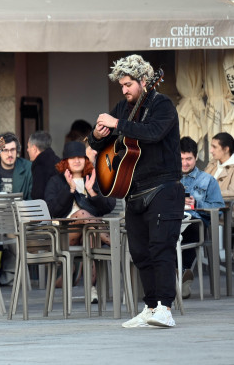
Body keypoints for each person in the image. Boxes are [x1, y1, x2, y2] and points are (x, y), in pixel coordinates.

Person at [89, 54, 183, 328]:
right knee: (140, 252)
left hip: (164, 187)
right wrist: (97, 134)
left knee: (161, 249)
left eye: (128, 84)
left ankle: (165, 308)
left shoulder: (162, 104)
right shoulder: (123, 107)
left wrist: (118, 124)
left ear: (144, 81)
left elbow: (153, 132)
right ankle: (150, 306)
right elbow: (99, 146)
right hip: (134, 191)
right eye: (121, 85)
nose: (124, 90)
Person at [44, 141, 115, 304]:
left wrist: (91, 192)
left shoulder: (93, 179)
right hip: (64, 235)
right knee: (82, 214)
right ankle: (115, 242)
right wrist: (69, 190)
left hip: (91, 232)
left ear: (86, 160)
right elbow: (53, 211)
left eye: (80, 158)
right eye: (72, 158)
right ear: (65, 162)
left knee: (90, 236)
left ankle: (91, 289)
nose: (77, 161)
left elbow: (108, 207)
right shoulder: (56, 181)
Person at [180, 136, 224, 299]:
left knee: (191, 225)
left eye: (189, 159)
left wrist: (197, 202)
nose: (185, 163)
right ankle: (179, 275)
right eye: (182, 158)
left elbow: (218, 208)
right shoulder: (169, 179)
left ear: (196, 157)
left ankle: (181, 271)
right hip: (172, 221)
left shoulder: (207, 180)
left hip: (195, 222)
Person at [27, 130, 60, 200]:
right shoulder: (58, 160)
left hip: (47, 208)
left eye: (28, 147)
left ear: (34, 149)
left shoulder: (39, 164)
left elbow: (37, 195)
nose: (27, 150)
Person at [204, 132, 234, 199]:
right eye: (211, 146)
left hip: (225, 208)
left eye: (214, 147)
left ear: (226, 149)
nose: (211, 150)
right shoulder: (213, 162)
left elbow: (232, 193)